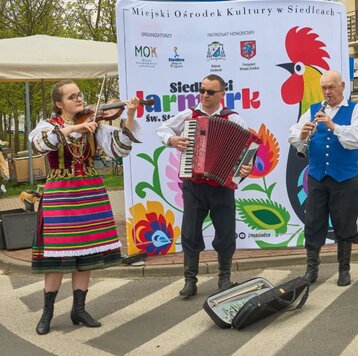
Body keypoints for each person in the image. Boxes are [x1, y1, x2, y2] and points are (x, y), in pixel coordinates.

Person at [29, 80, 141, 335]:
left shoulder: (94, 125)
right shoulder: (48, 126)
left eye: (79, 95)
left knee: (86, 254)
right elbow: (40, 144)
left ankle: (79, 309)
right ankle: (47, 313)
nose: (79, 100)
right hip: (60, 194)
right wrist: (74, 127)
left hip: (90, 192)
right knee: (57, 257)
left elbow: (120, 149)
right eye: (72, 97)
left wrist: (131, 113)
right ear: (59, 104)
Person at [156, 74, 253, 298]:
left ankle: (224, 278)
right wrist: (172, 140)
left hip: (222, 186)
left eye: (210, 92)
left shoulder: (234, 119)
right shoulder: (189, 115)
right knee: (190, 231)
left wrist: (244, 170)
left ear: (221, 94)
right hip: (194, 184)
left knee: (226, 233)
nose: (204, 95)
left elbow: (246, 152)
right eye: (201, 90)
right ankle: (190, 280)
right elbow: (163, 129)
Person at [289, 70, 358, 286]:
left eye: (331, 87)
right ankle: (311, 269)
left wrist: (333, 126)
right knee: (314, 223)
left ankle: (344, 270)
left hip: (344, 178)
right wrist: (303, 134)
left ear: (342, 86)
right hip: (317, 177)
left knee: (344, 223)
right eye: (324, 88)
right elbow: (294, 136)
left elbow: (357, 139)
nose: (327, 92)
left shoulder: (355, 111)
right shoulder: (312, 110)